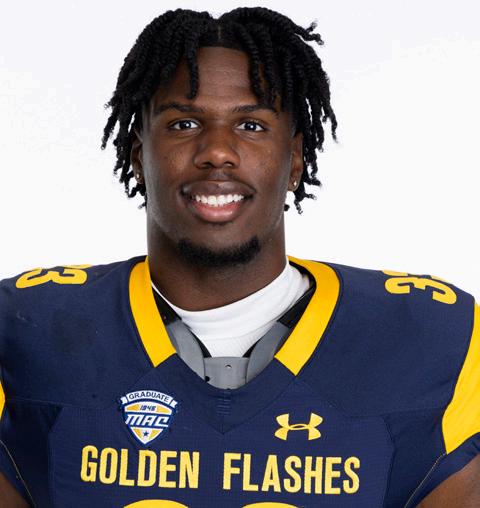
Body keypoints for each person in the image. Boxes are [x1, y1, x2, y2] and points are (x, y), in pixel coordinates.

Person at [0, 7, 478, 507]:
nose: (217, 151)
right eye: (184, 122)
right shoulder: (26, 331)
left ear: (295, 160)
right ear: (138, 154)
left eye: (251, 125)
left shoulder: (431, 338)